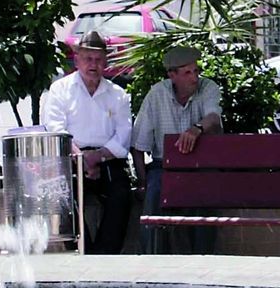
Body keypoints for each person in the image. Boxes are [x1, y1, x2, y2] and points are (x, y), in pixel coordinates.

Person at [44, 31, 134, 254]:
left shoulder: (118, 94)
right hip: (71, 158)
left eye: (98, 59)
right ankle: (82, 252)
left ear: (105, 62)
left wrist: (98, 157)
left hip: (107, 158)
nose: (93, 65)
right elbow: (55, 129)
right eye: (87, 59)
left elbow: (124, 133)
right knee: (62, 197)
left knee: (121, 195)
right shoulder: (60, 90)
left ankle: (104, 257)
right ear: (77, 60)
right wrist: (81, 159)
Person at [131, 46, 224, 254]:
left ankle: (203, 258)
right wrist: (142, 181)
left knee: (205, 195)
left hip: (201, 166)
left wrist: (196, 129)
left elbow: (213, 117)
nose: (194, 78)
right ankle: (151, 259)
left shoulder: (208, 87)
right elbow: (139, 144)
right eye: (187, 73)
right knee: (154, 195)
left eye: (196, 71)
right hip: (164, 166)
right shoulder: (157, 94)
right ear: (172, 75)